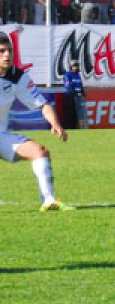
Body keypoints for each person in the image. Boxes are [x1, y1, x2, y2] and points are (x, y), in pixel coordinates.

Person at [0, 32, 72, 211]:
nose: (7, 55)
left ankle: (48, 200)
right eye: (1, 51)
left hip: (1, 136)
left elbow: (43, 105)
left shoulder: (17, 77)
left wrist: (55, 123)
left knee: (39, 152)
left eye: (9, 50)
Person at [63, 60, 87, 129]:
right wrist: (75, 93)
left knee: (78, 112)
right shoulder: (67, 75)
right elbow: (68, 86)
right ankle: (69, 127)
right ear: (71, 67)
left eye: (77, 66)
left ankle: (76, 126)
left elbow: (80, 84)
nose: (76, 67)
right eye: (74, 66)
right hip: (70, 96)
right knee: (70, 112)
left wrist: (82, 92)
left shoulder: (78, 75)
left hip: (78, 96)